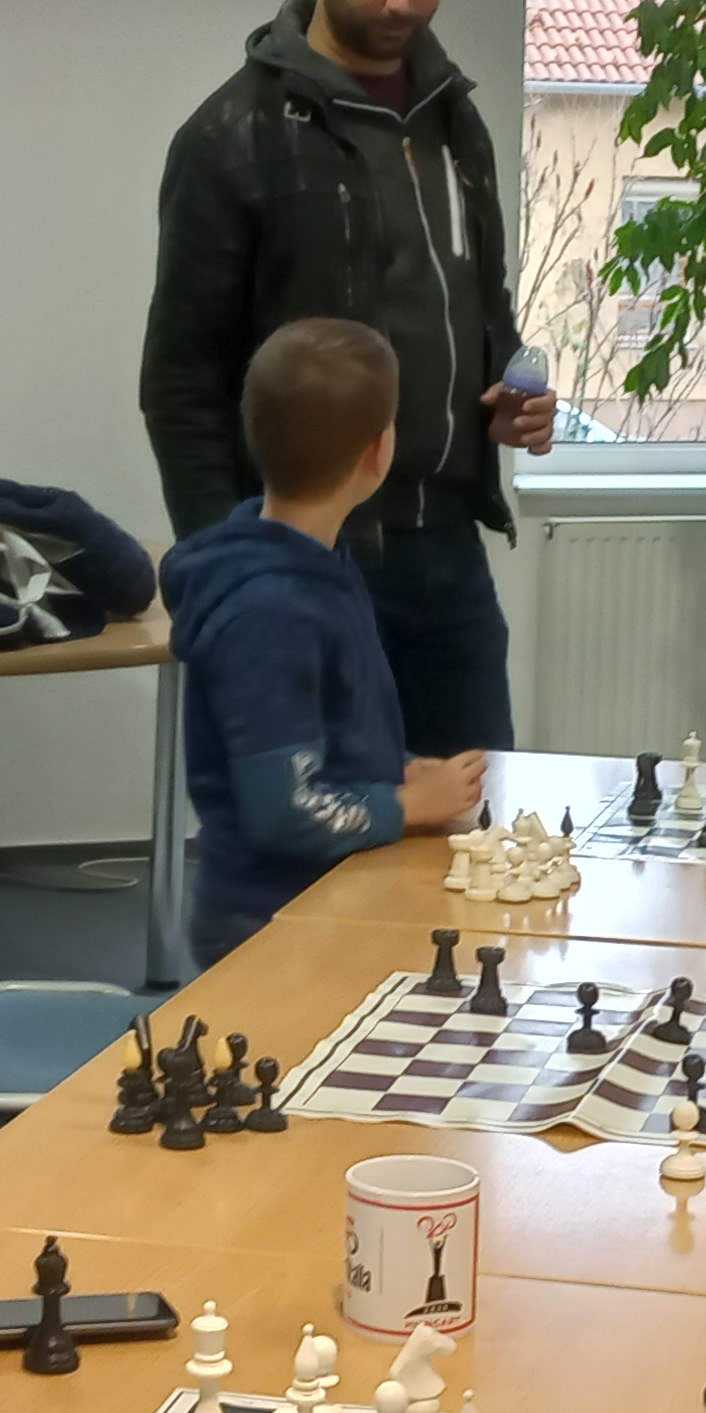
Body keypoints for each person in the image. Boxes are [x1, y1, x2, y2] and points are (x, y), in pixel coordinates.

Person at [142, 0, 555, 759]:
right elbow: (179, 383)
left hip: (448, 553)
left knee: (472, 816)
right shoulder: (229, 138)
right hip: (303, 555)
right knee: (325, 823)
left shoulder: (458, 126)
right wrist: (224, 571)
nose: (404, 0)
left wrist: (508, 391)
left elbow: (478, 300)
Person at [161, 320, 489, 959]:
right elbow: (284, 810)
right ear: (379, 451)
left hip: (324, 895)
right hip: (268, 925)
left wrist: (391, 767)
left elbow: (315, 735)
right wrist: (404, 805)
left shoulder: (313, 561)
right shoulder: (272, 612)